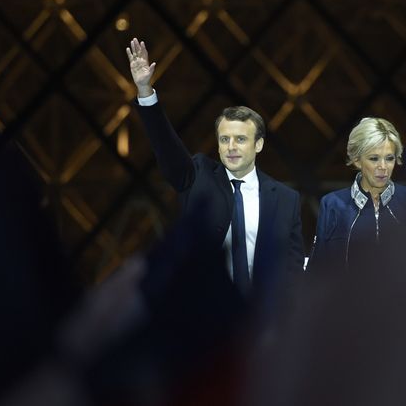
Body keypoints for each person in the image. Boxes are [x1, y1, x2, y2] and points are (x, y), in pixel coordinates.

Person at [125, 37, 305, 300]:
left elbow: (293, 270)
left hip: (262, 321)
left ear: (259, 145)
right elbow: (165, 146)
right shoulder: (198, 175)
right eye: (224, 139)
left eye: (240, 139)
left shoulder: (287, 200)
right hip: (205, 316)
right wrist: (145, 90)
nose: (231, 146)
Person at [306, 117, 406, 272]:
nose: (383, 167)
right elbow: (317, 269)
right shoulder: (333, 204)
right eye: (374, 158)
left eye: (389, 158)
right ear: (357, 161)